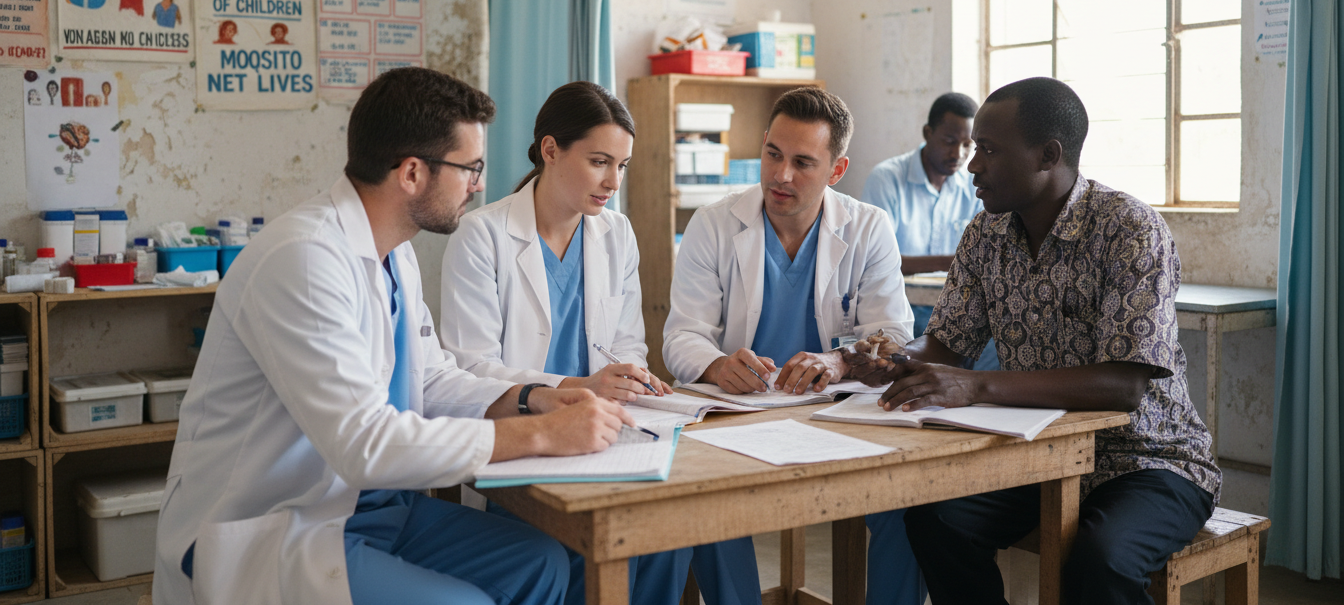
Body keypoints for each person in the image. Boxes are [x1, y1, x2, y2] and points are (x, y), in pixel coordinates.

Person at [154, 67, 636, 605]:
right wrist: (543, 435)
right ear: (411, 172)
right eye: (471, 168)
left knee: (541, 562)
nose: (479, 184)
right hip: (280, 523)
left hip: (375, 506)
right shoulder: (304, 259)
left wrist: (533, 398)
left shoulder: (395, 253)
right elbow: (363, 443)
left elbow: (431, 379)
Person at [858, 77, 1220, 605]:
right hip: (1040, 453)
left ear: (1048, 155)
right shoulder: (986, 232)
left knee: (1101, 558)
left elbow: (1123, 386)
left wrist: (974, 386)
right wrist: (889, 360)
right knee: (936, 519)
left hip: (1147, 460)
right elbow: (945, 346)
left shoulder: (1130, 230)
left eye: (988, 149)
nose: (973, 163)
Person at [446, 81, 749, 605]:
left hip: (603, 437)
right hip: (523, 441)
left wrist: (631, 377)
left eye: (623, 166)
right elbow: (470, 370)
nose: (613, 181)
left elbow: (626, 344)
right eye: (600, 161)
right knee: (590, 553)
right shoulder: (482, 235)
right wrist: (575, 385)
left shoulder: (616, 233)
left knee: (665, 534)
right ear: (550, 150)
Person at [662, 86, 925, 605]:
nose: (781, 175)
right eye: (773, 154)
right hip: (738, 411)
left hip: (835, 411)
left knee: (907, 501)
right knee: (710, 500)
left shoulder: (868, 227)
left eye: (803, 162)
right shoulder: (713, 225)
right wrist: (716, 365)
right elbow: (682, 334)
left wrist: (839, 360)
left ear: (837, 169)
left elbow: (894, 337)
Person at [861, 92, 997, 371]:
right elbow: (878, 263)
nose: (957, 154)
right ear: (928, 133)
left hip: (958, 309)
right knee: (902, 356)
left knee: (998, 346)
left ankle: (977, 407)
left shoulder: (974, 186)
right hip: (906, 308)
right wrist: (954, 262)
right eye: (949, 141)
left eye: (967, 145)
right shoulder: (887, 179)